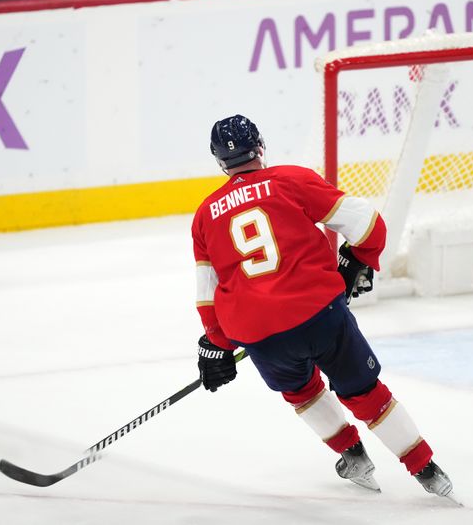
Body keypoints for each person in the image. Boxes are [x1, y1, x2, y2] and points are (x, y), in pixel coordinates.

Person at [191, 114, 457, 502]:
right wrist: (355, 261)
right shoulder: (291, 180)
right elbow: (369, 225)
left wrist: (219, 344)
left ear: (219, 163)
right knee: (365, 392)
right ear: (261, 148)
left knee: (301, 392)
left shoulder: (204, 216)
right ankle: (426, 469)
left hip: (260, 334)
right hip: (320, 315)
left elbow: (207, 296)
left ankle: (354, 457)